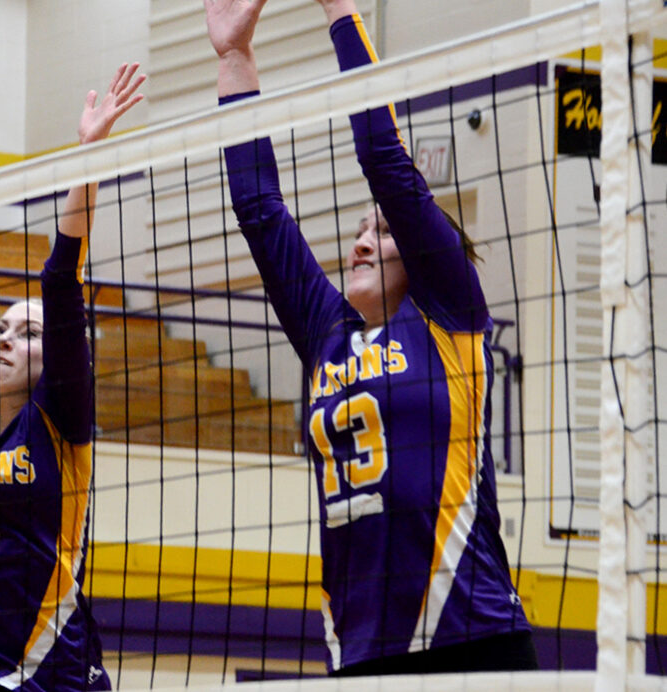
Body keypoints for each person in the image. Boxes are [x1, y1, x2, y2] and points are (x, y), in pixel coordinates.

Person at [205, 0, 537, 676]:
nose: (360, 241)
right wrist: (233, 56)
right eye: (358, 230)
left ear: (420, 252)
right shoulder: (328, 333)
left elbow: (383, 157)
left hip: (468, 636)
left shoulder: (447, 311)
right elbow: (259, 210)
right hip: (361, 652)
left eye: (381, 232)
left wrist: (340, 12)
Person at [0, 57, 145, 690]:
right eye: (3, 329)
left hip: (55, 676)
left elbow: (62, 286)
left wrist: (87, 158)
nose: (5, 339)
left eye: (29, 332)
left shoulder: (60, 421)